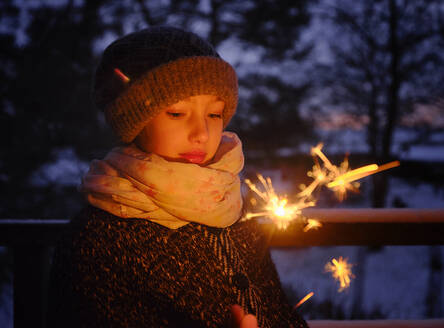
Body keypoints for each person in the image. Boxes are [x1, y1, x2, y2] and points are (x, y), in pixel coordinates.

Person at [46, 26, 308, 328]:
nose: (201, 133)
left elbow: (280, 313)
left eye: (214, 114)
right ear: (134, 122)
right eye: (176, 113)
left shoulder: (235, 211)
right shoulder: (98, 241)